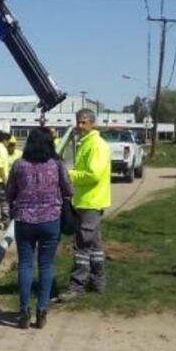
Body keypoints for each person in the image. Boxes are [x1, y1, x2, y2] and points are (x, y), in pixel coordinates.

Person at [6, 128, 72, 329]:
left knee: (25, 264)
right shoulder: (57, 164)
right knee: (46, 265)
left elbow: (9, 192)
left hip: (24, 220)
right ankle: (42, 311)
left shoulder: (19, 165)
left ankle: (24, 310)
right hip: (51, 220)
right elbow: (68, 189)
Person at [61, 109, 111, 300]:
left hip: (92, 200)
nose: (80, 126)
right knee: (95, 244)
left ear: (92, 123)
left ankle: (76, 286)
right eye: (78, 122)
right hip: (84, 200)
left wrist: (70, 175)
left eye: (83, 122)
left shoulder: (96, 145)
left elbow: (93, 174)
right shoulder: (85, 143)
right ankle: (98, 281)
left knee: (82, 244)